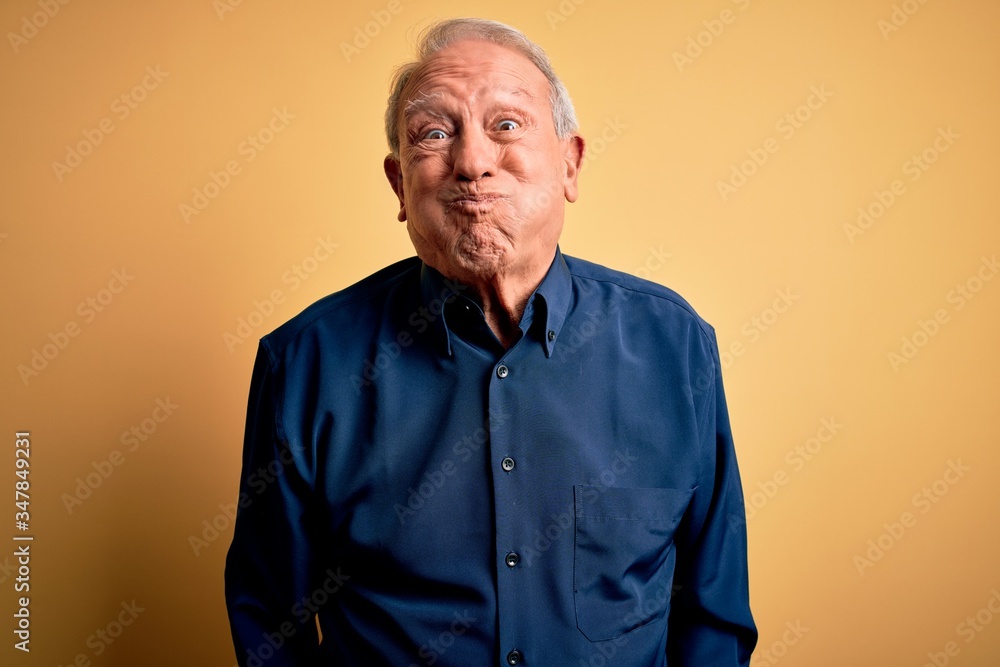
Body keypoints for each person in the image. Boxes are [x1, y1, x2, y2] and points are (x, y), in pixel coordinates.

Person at [225, 17, 757, 666]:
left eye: (506, 125)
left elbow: (714, 613)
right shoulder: (306, 364)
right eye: (434, 134)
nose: (472, 162)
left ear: (570, 163)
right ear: (399, 185)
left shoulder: (675, 347)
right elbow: (270, 622)